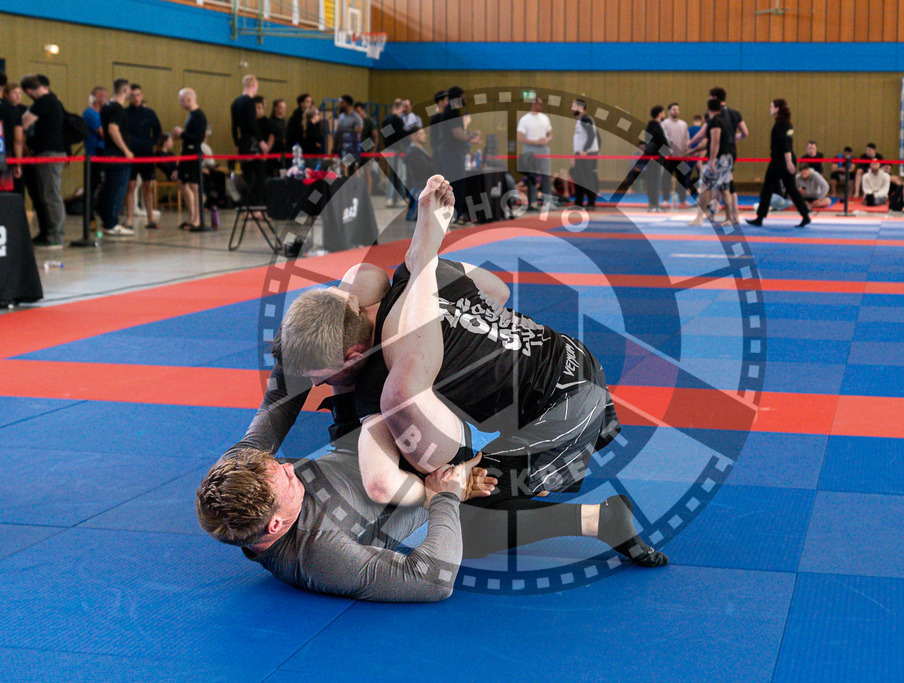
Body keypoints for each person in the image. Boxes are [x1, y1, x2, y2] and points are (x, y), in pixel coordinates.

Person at [195, 177, 666, 601]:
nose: (289, 467)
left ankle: (419, 275)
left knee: (406, 416)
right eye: (287, 477)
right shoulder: (320, 556)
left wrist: (293, 355)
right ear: (276, 524)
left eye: (280, 468)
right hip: (558, 374)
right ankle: (422, 267)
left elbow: (274, 416)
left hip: (558, 391)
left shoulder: (252, 475)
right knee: (461, 479)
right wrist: (442, 495)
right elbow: (430, 579)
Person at [747, 98, 811, 228]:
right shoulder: (788, 124)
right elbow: (787, 144)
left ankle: (760, 218)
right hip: (786, 158)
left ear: (777, 109)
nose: (770, 109)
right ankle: (805, 215)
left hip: (780, 160)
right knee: (792, 189)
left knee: (767, 189)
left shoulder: (780, 124)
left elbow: (785, 145)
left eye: (771, 106)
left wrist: (788, 162)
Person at [20, 74, 66, 248]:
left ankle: (56, 236)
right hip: (51, 152)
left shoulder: (43, 102)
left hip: (49, 154)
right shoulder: (53, 100)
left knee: (51, 195)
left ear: (29, 91)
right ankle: (49, 233)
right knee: (48, 194)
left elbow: (24, 122)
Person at [97, 78, 135, 237]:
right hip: (118, 155)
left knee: (109, 187)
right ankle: (111, 223)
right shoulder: (118, 109)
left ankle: (107, 221)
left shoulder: (106, 106)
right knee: (117, 189)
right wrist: (126, 150)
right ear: (125, 90)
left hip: (109, 152)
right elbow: (113, 129)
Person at [435, 86, 478, 223]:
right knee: (456, 184)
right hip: (451, 153)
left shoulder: (451, 112)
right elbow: (458, 134)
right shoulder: (452, 112)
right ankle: (454, 215)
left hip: (450, 152)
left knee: (455, 183)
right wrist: (471, 135)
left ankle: (454, 214)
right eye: (463, 96)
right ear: (457, 97)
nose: (465, 99)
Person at [692, 98, 736, 225]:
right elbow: (712, 143)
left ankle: (699, 217)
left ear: (708, 108)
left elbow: (714, 142)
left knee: (706, 187)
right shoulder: (725, 121)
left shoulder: (714, 121)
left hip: (719, 159)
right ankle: (728, 218)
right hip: (727, 158)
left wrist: (711, 160)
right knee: (724, 188)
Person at [125, 84, 162, 229]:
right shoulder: (125, 113)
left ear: (142, 95)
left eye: (138, 95)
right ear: (129, 97)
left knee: (147, 186)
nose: (136, 98)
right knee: (131, 186)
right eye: (133, 95)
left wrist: (151, 143)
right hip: (131, 154)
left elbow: (158, 131)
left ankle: (150, 219)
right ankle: (129, 220)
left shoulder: (149, 113)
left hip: (146, 154)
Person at [172, 87, 207, 230]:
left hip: (193, 154)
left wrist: (182, 134)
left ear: (189, 99)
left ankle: (197, 218)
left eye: (181, 100)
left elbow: (198, 138)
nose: (180, 103)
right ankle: (192, 215)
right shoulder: (191, 115)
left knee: (195, 186)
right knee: (182, 183)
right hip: (186, 154)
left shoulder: (199, 116)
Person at [230, 74, 267, 204]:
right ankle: (256, 207)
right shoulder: (250, 102)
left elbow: (234, 126)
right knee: (259, 176)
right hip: (252, 142)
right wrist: (261, 141)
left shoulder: (235, 103)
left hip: (242, 143)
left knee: (247, 175)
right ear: (253, 85)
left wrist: (236, 144)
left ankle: (247, 207)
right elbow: (252, 123)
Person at [517, 96, 554, 210]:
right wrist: (534, 141)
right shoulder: (525, 119)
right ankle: (533, 202)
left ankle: (548, 202)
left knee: (546, 176)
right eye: (539, 104)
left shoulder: (545, 118)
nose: (541, 106)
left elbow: (550, 134)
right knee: (532, 177)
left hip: (543, 148)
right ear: (533, 104)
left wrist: (545, 140)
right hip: (530, 149)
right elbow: (520, 137)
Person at [81, 86, 107, 226]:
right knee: (91, 187)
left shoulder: (104, 113)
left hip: (104, 153)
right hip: (94, 154)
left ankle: (102, 215)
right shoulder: (90, 113)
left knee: (103, 186)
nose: (105, 99)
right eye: (102, 95)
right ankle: (89, 218)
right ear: (95, 97)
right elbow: (103, 133)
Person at [570, 98, 600, 209]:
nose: (572, 109)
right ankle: (579, 202)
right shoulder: (581, 120)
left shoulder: (586, 119)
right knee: (579, 179)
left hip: (586, 154)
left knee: (587, 179)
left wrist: (585, 150)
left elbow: (592, 135)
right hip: (581, 154)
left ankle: (591, 203)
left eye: (574, 107)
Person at [660, 102, 690, 207]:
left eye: (677, 109)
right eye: (674, 109)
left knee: (682, 179)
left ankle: (682, 201)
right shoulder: (664, 124)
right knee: (666, 179)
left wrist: (687, 151)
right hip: (669, 157)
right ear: (669, 111)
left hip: (681, 156)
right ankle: (665, 200)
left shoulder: (684, 124)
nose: (676, 111)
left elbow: (687, 140)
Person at [380, 99, 408, 207]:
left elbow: (385, 135)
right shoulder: (398, 121)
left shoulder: (386, 120)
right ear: (400, 107)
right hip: (397, 151)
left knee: (392, 174)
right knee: (399, 175)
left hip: (388, 149)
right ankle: (395, 198)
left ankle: (391, 199)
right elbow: (401, 136)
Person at [402, 126, 433, 221]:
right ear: (413, 137)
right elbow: (425, 170)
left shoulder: (420, 152)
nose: (425, 135)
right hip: (421, 187)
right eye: (421, 133)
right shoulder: (414, 154)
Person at [332, 95, 362, 175]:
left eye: (342, 103)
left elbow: (357, 133)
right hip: (342, 148)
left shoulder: (356, 117)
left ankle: (356, 185)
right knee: (343, 169)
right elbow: (338, 132)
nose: (340, 105)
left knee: (351, 169)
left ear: (347, 104)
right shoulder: (341, 117)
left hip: (352, 148)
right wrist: (334, 146)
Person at [263, 98, 287, 178]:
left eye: (284, 107)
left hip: (283, 153)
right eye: (281, 107)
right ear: (275, 108)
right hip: (273, 154)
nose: (283, 110)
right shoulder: (270, 122)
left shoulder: (285, 122)